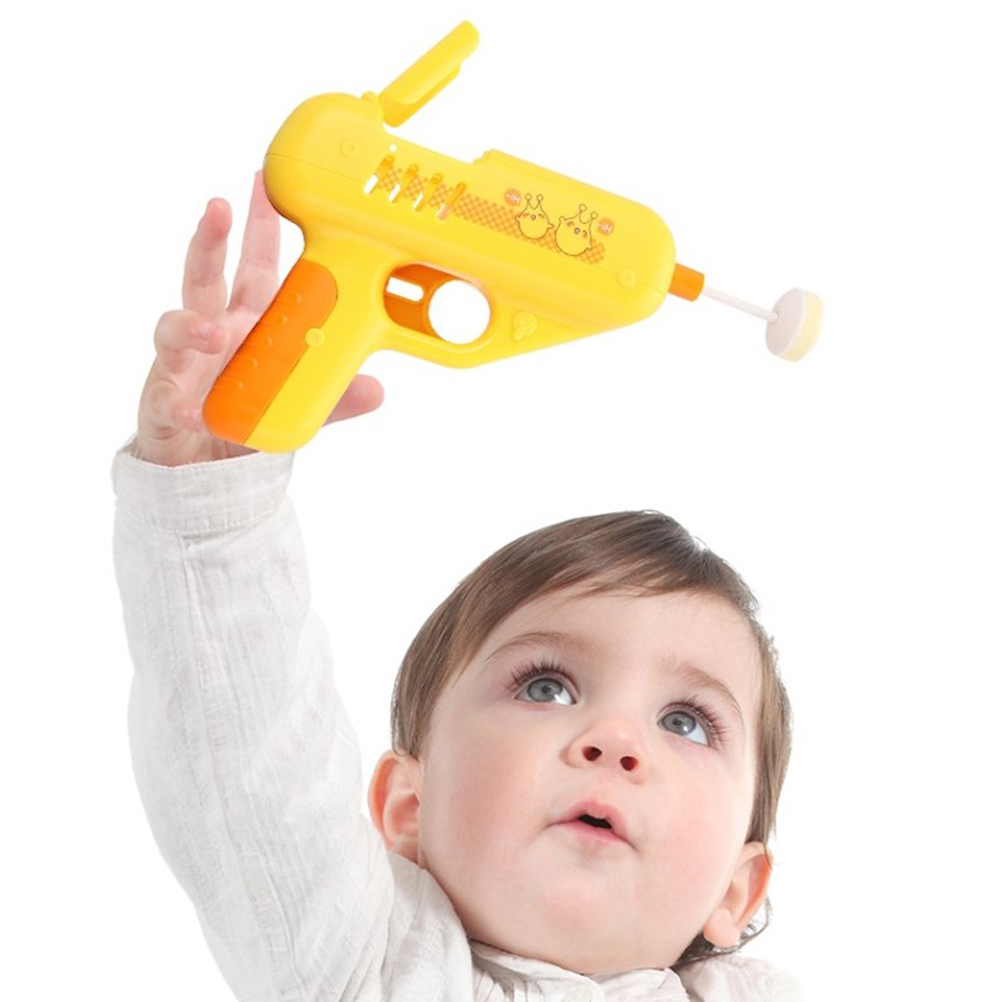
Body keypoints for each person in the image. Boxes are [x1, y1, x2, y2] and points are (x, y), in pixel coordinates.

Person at [112, 172, 803, 1001]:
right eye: (546, 686)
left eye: (686, 721)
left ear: (736, 890)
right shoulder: (369, 968)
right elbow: (256, 775)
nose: (616, 739)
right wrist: (215, 509)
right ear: (410, 806)